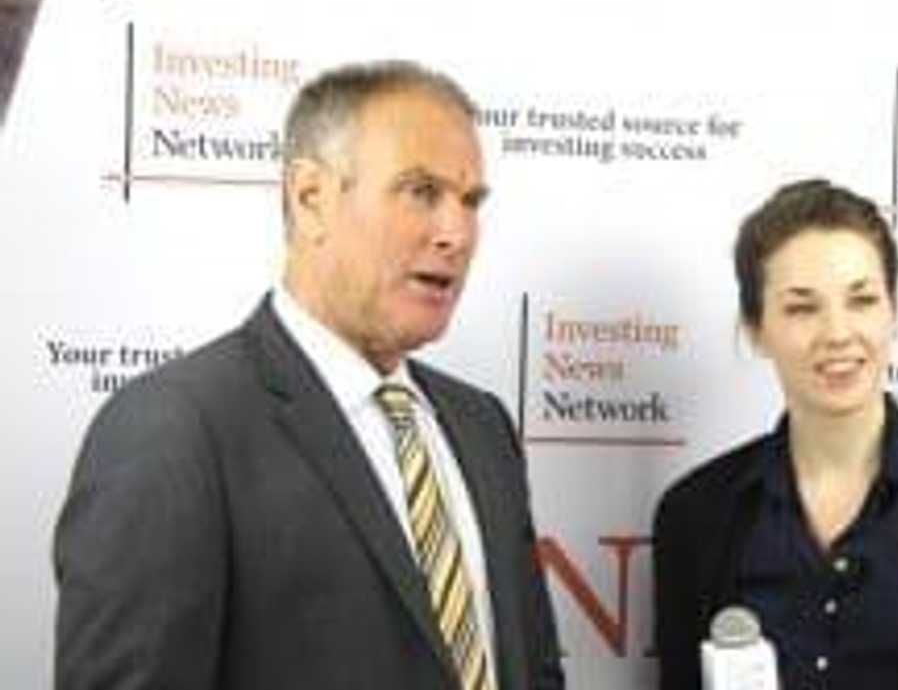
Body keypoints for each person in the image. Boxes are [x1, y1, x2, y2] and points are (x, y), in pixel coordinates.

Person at [54, 60, 565, 690]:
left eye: (471, 201)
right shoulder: (173, 432)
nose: (457, 233)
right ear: (310, 198)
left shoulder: (481, 425)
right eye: (421, 192)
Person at [653, 178, 898, 690]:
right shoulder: (694, 514)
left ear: (894, 313)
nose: (838, 334)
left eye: (862, 300)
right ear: (756, 329)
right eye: (802, 308)